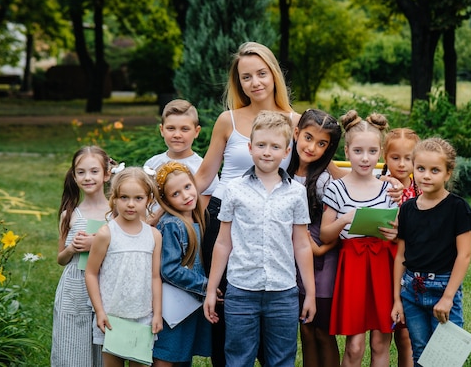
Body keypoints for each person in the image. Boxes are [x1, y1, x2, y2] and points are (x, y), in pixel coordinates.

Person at [193, 41, 303, 366]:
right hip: (225, 221)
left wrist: (386, 183)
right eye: (245, 77)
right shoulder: (228, 120)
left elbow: (324, 169)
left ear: (274, 75)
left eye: (261, 74)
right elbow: (203, 177)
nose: (254, 82)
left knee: (273, 310)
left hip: (275, 223)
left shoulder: (296, 123)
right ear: (237, 82)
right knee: (227, 312)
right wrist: (153, 204)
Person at [203, 111, 316, 367]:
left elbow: (301, 244)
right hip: (241, 291)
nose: (267, 152)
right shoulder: (234, 190)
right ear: (250, 147)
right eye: (261, 145)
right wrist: (211, 289)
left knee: (281, 359)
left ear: (287, 151)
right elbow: (223, 242)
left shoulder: (296, 194)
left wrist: (309, 292)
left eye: (275, 146)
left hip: (283, 292)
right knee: (238, 359)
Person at [391, 138, 471, 366]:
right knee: (420, 352)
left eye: (435, 170)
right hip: (411, 291)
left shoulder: (458, 208)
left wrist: (448, 297)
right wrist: (397, 300)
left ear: (448, 173)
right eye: (421, 168)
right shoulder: (407, 208)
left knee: (445, 357)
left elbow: (464, 255)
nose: (426, 175)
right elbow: (401, 255)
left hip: (442, 289)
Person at [320, 110, 398, 367]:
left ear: (380, 153)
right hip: (353, 264)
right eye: (358, 151)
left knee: (380, 342)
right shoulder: (337, 188)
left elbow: (400, 231)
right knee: (355, 346)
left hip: (382, 265)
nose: (365, 159)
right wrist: (344, 219)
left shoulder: (389, 188)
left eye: (372, 152)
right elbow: (325, 233)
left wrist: (395, 232)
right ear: (346, 151)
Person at [85, 166, 163, 367]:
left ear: (149, 200)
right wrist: (100, 311)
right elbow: (91, 273)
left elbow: (155, 277)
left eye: (138, 198)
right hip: (112, 318)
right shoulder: (106, 234)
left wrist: (157, 314)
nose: (131, 204)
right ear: (114, 198)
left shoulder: (154, 236)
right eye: (124, 198)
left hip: (143, 317)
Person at [286, 109, 342, 367]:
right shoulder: (280, 172)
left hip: (321, 260)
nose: (312, 147)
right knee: (305, 330)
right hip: (290, 260)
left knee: (322, 330)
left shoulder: (324, 182)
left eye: (322, 144)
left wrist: (318, 250)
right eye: (308, 138)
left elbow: (338, 228)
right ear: (296, 133)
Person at [51, 146, 112, 367]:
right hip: (73, 292)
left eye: (94, 171)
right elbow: (60, 259)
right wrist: (72, 249)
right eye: (81, 172)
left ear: (106, 174)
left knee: (102, 350)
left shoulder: (116, 213)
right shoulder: (70, 215)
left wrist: (96, 243)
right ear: (74, 176)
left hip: (105, 288)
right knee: (71, 350)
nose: (88, 177)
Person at [152, 162, 211, 366]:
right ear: (166, 200)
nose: (186, 196)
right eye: (175, 194)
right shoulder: (172, 224)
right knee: (166, 356)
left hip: (188, 305)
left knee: (181, 356)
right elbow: (169, 269)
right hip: (172, 308)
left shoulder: (197, 219)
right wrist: (206, 285)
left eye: (187, 187)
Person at [380, 128, 421, 367]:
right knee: (385, 328)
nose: (402, 164)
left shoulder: (423, 191)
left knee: (406, 333)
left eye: (409, 158)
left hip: (410, 264)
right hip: (383, 264)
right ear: (385, 157)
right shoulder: (379, 185)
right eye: (396, 158)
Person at [144, 99, 219, 211]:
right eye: (171, 128)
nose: (177, 135)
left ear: (196, 131)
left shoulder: (204, 168)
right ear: (161, 130)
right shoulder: (151, 164)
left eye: (184, 129)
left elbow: (200, 212)